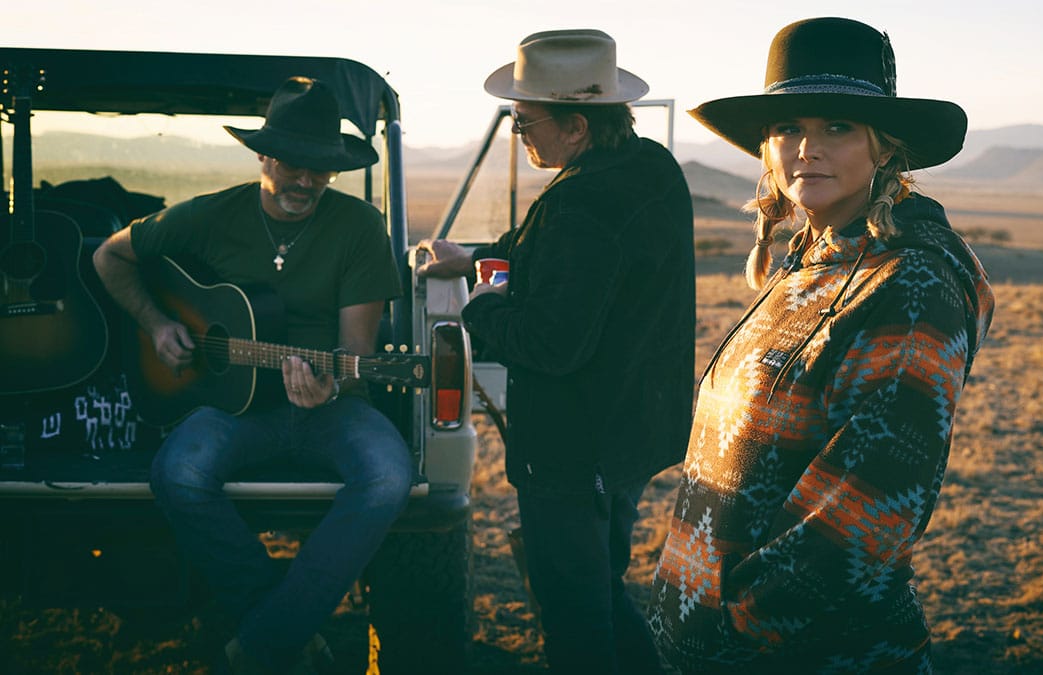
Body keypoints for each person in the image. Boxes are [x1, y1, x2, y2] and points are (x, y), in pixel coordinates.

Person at [648, 17, 995, 674]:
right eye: (788, 127)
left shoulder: (909, 281)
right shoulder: (814, 259)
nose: (807, 147)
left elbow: (866, 510)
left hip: (806, 655)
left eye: (837, 127)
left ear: (886, 148)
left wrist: (738, 626)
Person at [92, 77, 410, 674]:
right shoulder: (213, 215)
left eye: (321, 168)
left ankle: (263, 644)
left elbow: (356, 352)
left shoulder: (359, 228)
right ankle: (287, 630)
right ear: (263, 155)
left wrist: (332, 384)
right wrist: (158, 325)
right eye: (292, 163)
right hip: (234, 406)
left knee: (390, 477)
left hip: (332, 406)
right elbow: (108, 256)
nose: (305, 181)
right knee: (178, 474)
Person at [417, 29, 695, 675]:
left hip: (572, 449)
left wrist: (477, 296)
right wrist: (483, 254)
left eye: (524, 120)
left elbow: (549, 342)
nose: (519, 133)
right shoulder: (650, 168)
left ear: (574, 126)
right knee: (600, 584)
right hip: (629, 433)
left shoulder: (579, 202)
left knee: (573, 608)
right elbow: (559, 253)